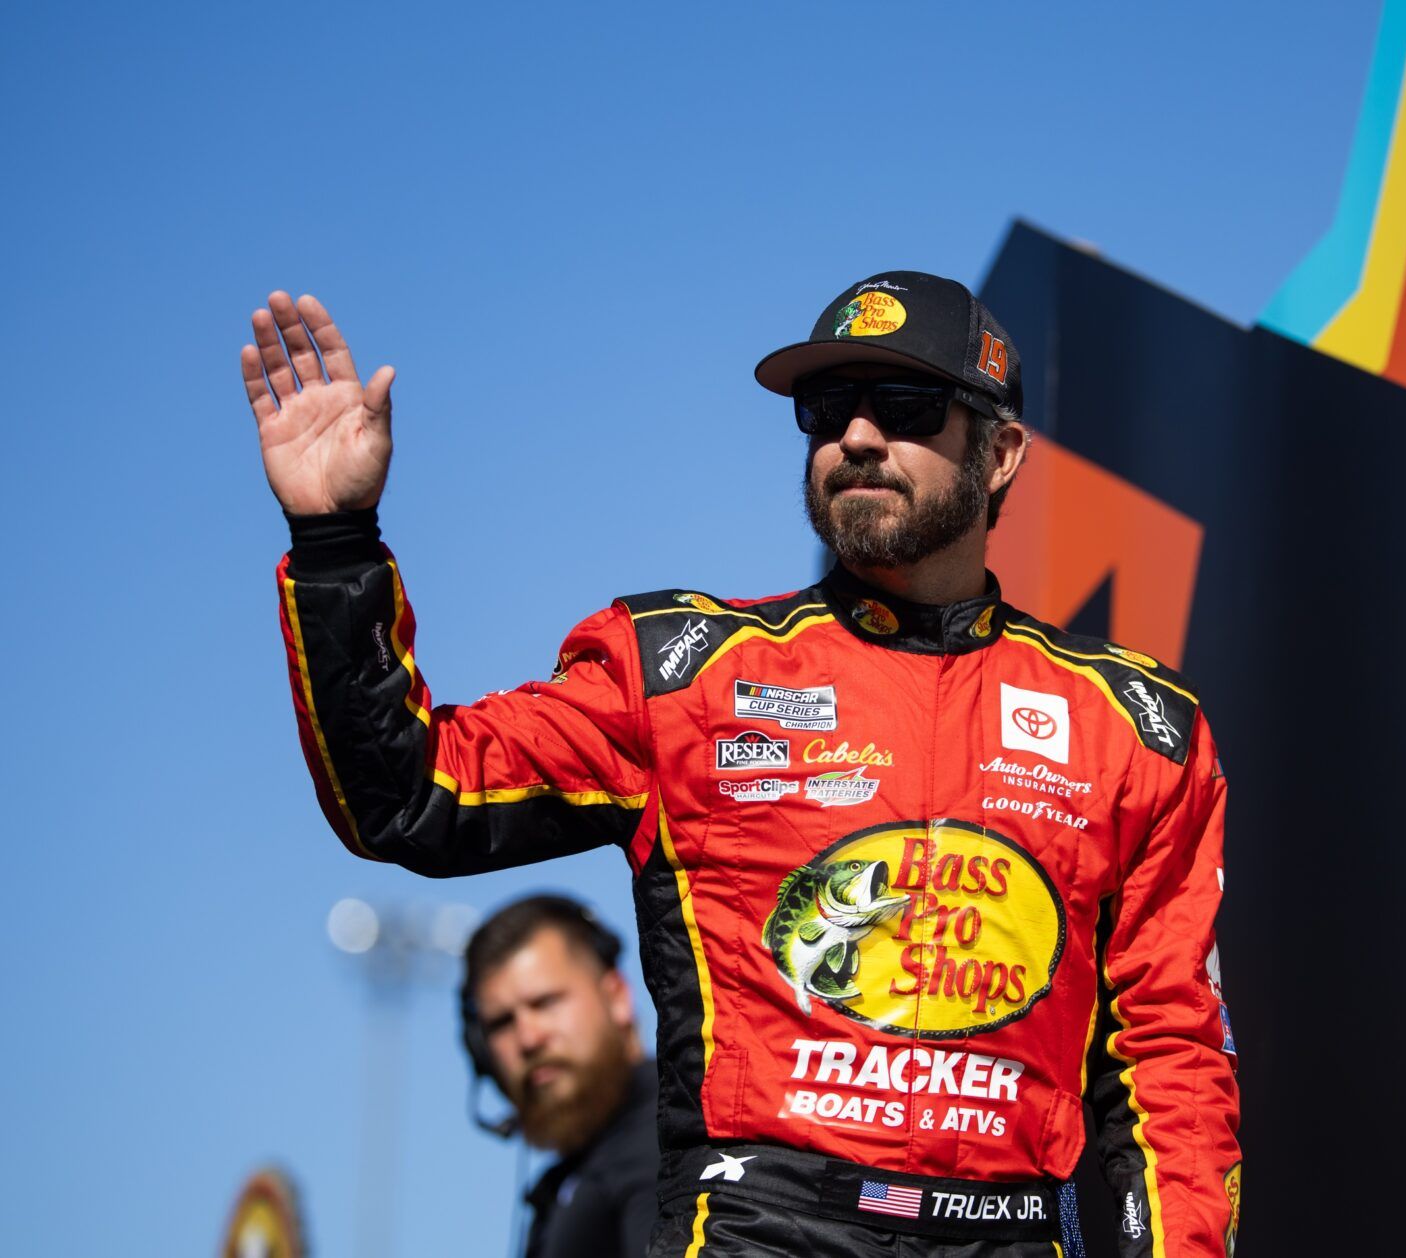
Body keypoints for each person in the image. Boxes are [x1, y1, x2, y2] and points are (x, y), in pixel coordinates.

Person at [245, 271, 1241, 1257]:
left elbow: (1172, 1065)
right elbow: (412, 794)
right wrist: (336, 540)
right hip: (765, 1225)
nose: (855, 437)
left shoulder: (1137, 726)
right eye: (825, 409)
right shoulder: (684, 672)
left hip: (1014, 1230)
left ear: (1001, 453)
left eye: (903, 406)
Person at [461, 894, 661, 1257]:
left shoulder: (673, 1145)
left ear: (616, 996)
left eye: (545, 1003)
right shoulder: (576, 1178)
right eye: (501, 1022)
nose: (528, 1038)